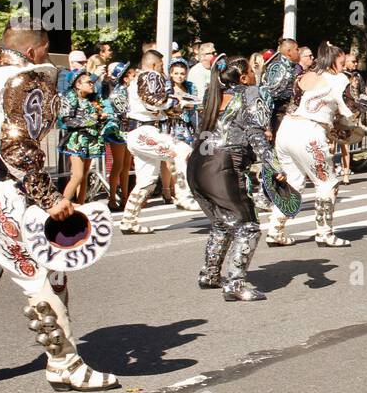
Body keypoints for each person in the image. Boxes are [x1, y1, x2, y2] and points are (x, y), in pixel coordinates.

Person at [0, 26, 118, 393]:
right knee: (40, 273)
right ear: (34, 50)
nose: (47, 57)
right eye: (45, 50)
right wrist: (50, 198)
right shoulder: (24, 80)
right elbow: (16, 147)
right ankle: (65, 364)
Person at [190, 57, 278, 301]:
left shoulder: (213, 93)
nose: (254, 75)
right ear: (243, 77)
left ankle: (210, 274)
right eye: (251, 71)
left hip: (198, 162)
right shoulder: (250, 93)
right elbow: (256, 133)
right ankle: (235, 284)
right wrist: (273, 166)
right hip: (224, 163)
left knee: (222, 221)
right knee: (248, 225)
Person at [271, 42, 358, 247]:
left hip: (287, 129)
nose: (344, 66)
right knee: (327, 182)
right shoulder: (339, 80)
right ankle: (324, 232)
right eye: (342, 62)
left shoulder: (303, 76)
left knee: (292, 181)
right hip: (309, 132)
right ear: (333, 61)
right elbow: (351, 111)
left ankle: (275, 229)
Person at [119, 49, 199, 234]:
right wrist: (175, 102)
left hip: (141, 131)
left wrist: (175, 105)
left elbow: (153, 104)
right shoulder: (150, 75)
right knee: (181, 151)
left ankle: (128, 221)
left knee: (146, 180)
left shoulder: (140, 79)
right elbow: (153, 101)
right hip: (143, 131)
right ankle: (183, 195)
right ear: (154, 65)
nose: (163, 69)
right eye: (162, 65)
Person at [58, 69, 110, 203]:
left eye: (92, 82)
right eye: (89, 82)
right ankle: (62, 205)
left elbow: (96, 117)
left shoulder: (91, 100)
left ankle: (80, 205)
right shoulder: (71, 97)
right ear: (78, 85)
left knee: (84, 175)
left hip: (90, 139)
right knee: (77, 175)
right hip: (77, 140)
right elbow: (67, 120)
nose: (92, 84)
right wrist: (91, 119)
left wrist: (100, 118)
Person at [161, 58, 197, 203]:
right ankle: (167, 190)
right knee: (169, 159)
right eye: (176, 73)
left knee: (185, 157)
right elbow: (163, 106)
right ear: (170, 73)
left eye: (182, 73)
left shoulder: (190, 86)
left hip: (185, 125)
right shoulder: (166, 87)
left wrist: (188, 104)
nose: (179, 76)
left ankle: (182, 188)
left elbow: (195, 103)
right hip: (169, 125)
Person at [103, 62, 133, 212]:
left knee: (127, 165)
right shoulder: (118, 93)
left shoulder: (129, 91)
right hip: (117, 131)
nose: (134, 77)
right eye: (131, 75)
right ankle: (112, 198)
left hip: (128, 131)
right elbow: (125, 113)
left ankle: (125, 197)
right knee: (118, 164)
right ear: (125, 78)